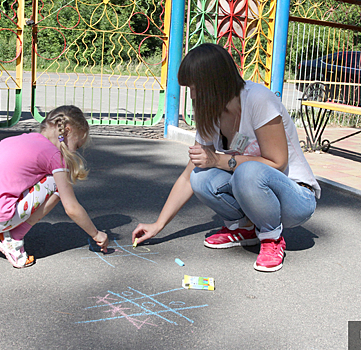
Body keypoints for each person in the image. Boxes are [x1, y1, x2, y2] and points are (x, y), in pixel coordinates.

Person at [132, 43, 320, 272]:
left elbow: (277, 163)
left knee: (246, 170)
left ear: (214, 83)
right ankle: (244, 228)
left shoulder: (258, 100)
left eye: (194, 87)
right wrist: (158, 225)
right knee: (199, 177)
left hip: (295, 199)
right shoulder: (211, 111)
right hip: (256, 192)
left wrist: (219, 160)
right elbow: (187, 176)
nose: (191, 95)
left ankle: (271, 237)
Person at [0, 105, 109, 268]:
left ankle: (0, 229)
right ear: (68, 131)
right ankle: (12, 238)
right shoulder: (54, 156)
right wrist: (96, 234)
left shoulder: (15, 140)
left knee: (40, 175)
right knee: (57, 182)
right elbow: (71, 207)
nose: (74, 151)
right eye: (76, 145)